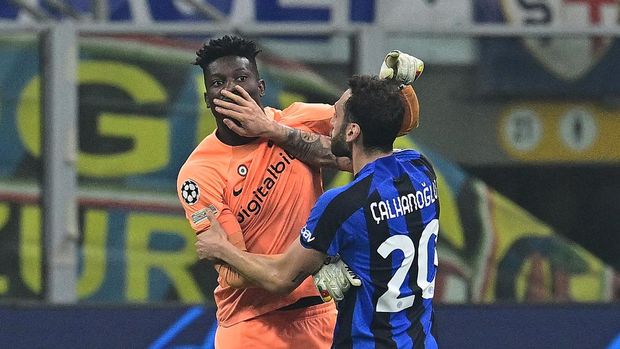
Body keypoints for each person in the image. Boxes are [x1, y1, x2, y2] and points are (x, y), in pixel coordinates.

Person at [177, 34, 423, 348]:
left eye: (241, 78)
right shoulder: (200, 173)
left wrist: (398, 86)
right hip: (251, 324)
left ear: (260, 87)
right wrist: (313, 261)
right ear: (207, 99)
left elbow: (390, 124)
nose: (231, 90)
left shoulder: (299, 120)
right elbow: (233, 273)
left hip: (321, 315)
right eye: (218, 83)